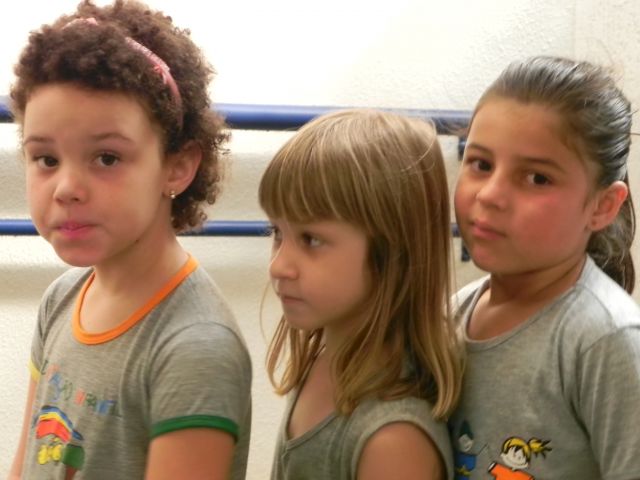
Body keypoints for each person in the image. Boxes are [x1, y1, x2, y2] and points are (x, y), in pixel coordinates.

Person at [7, 1, 251, 479]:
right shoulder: (62, 298)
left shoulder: (195, 348)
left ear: (177, 166)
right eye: (47, 159)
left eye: (107, 158)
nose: (66, 188)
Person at [449, 55, 640, 480]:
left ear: (602, 206)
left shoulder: (606, 341)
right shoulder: (454, 314)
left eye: (537, 178)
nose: (490, 195)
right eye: (481, 164)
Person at [259, 109, 464, 480]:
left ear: (393, 251)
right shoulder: (325, 360)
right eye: (277, 232)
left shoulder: (392, 441)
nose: (278, 266)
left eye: (311, 239)